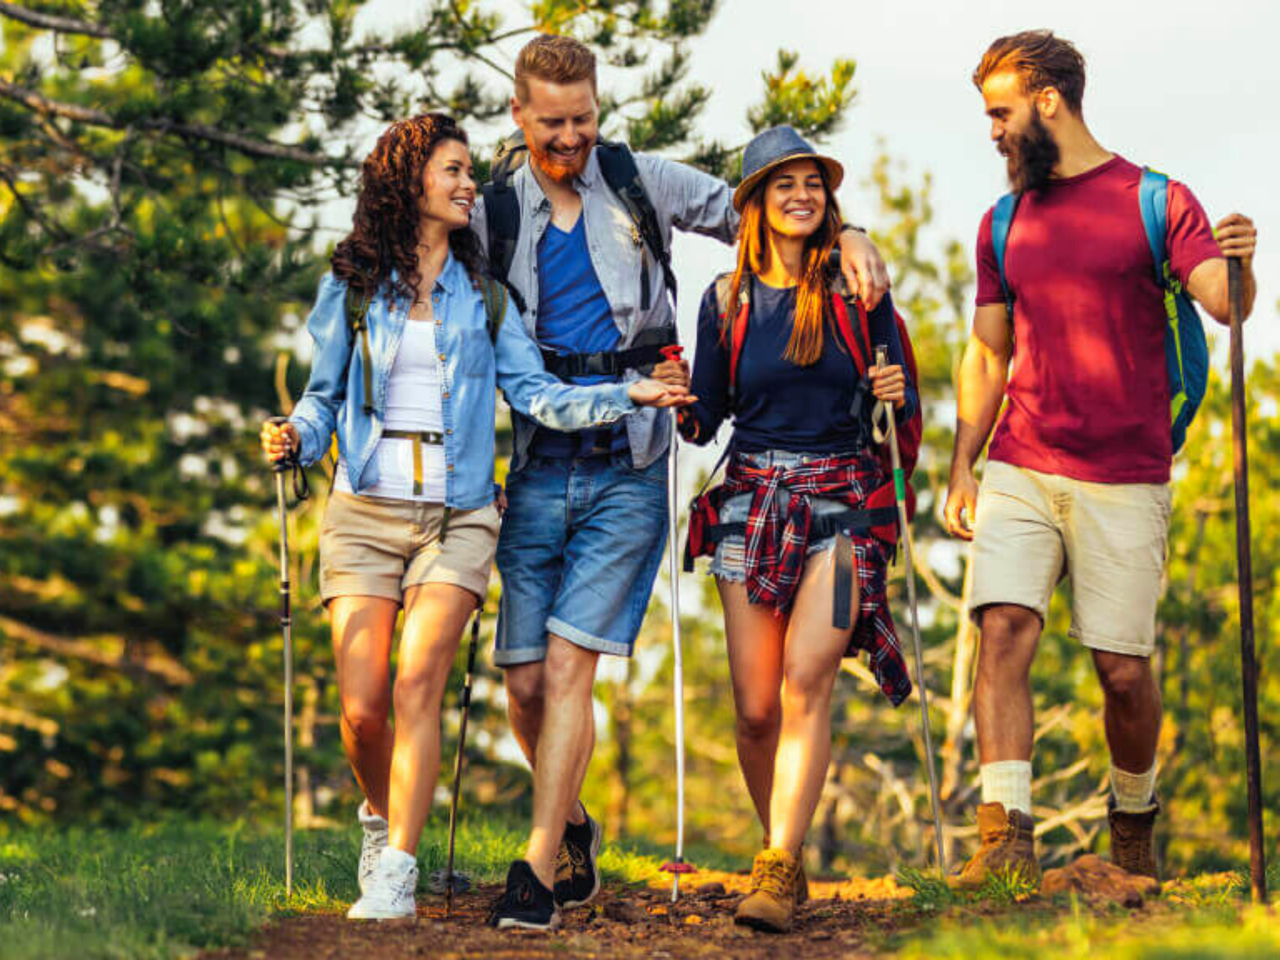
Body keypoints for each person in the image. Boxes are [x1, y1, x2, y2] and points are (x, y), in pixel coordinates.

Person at [476, 35, 894, 931]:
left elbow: (762, 209)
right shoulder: (491, 210)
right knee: (525, 687)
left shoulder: (639, 179)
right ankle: (578, 834)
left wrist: (850, 227)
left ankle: (539, 871)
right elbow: (438, 288)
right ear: (519, 116)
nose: (571, 136)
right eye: (552, 123)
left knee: (573, 662)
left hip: (634, 453)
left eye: (584, 118)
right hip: (543, 449)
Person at [259, 113, 691, 920]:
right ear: (408, 180)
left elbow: (535, 395)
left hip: (457, 517)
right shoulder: (350, 286)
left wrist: (623, 393)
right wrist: (295, 437)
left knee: (419, 681)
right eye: (453, 171)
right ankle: (382, 817)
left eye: (468, 172)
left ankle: (398, 873)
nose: (469, 187)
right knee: (362, 709)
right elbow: (322, 402)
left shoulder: (487, 298)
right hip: (361, 513)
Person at [944, 31, 1258, 887]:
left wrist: (1241, 261)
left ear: (1049, 102)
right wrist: (963, 463)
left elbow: (1225, 304)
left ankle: (1132, 822)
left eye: (1001, 112)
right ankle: (1004, 838)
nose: (994, 131)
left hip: (1126, 473)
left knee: (1122, 672)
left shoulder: (1156, 200)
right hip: (1023, 459)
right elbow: (986, 353)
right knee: (1002, 627)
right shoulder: (1002, 222)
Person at [678, 125, 918, 933]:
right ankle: (780, 841)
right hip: (751, 499)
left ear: (828, 198)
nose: (801, 196)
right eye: (783, 185)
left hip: (845, 501)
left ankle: (777, 868)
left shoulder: (859, 288)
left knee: (807, 677)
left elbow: (900, 405)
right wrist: (681, 397)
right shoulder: (724, 301)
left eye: (813, 183)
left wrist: (893, 388)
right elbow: (707, 419)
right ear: (753, 202)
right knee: (754, 706)